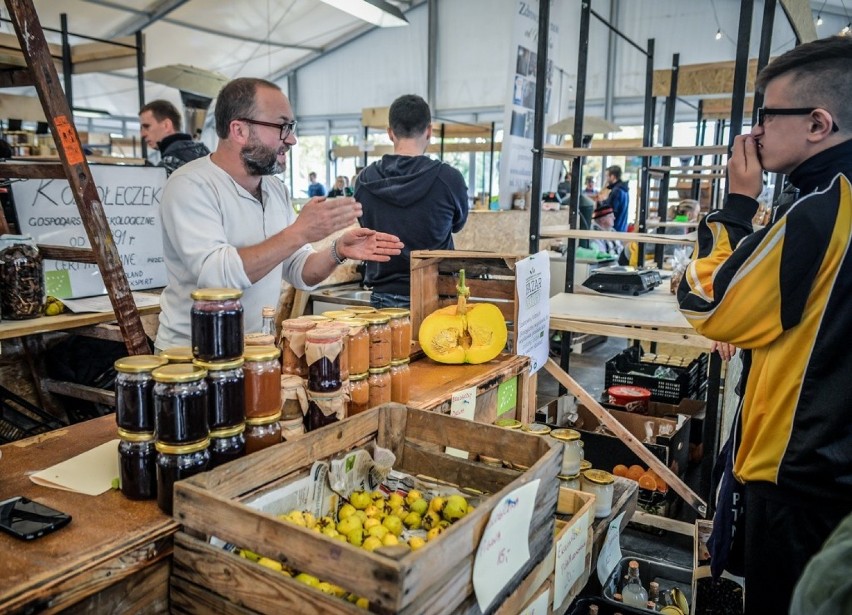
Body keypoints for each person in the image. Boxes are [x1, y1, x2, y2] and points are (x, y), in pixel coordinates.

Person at [677, 36, 852, 614]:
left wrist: (735, 205)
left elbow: (708, 304)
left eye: (764, 116)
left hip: (800, 474)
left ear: (817, 123)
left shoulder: (822, 209)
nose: (751, 135)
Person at [155, 78, 403, 350]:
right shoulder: (190, 185)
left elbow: (300, 271)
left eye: (292, 127)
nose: (292, 139)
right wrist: (299, 232)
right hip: (193, 358)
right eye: (282, 127)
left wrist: (338, 250)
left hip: (256, 354)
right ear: (239, 130)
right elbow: (216, 278)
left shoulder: (274, 189)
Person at [355, 94, 469, 308]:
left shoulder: (364, 181)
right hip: (435, 295)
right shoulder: (449, 179)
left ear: (390, 133)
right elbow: (457, 225)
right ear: (429, 131)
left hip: (383, 296)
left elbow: (367, 229)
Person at [139, 99, 210, 176]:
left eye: (146, 126)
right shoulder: (204, 153)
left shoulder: (169, 163)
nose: (143, 134)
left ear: (166, 125)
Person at [598, 165, 629, 232]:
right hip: (621, 229)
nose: (606, 179)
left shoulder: (617, 191)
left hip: (615, 230)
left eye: (607, 176)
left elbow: (610, 211)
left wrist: (602, 201)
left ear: (612, 176)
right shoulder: (624, 189)